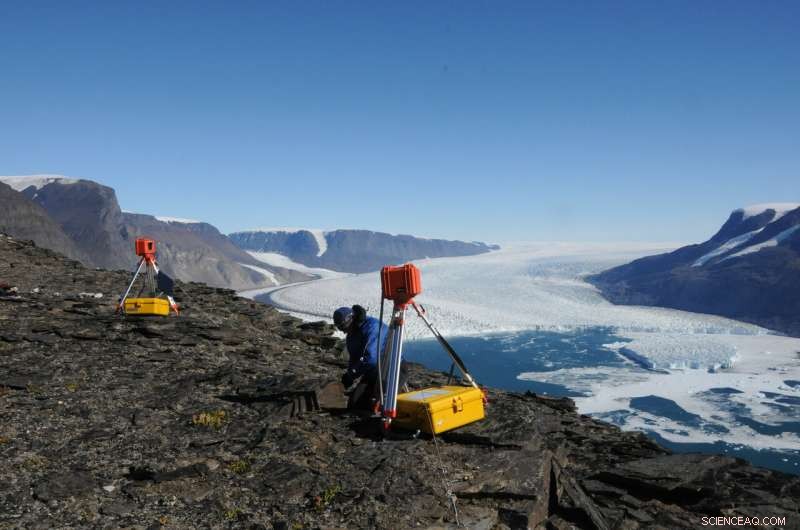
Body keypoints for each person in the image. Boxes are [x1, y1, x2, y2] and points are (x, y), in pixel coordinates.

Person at [333, 304, 388, 411]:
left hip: (389, 367)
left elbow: (371, 358)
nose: (343, 331)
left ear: (350, 320)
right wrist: (349, 375)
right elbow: (354, 357)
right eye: (339, 328)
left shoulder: (372, 327)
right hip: (373, 371)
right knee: (355, 403)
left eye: (343, 327)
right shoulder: (352, 334)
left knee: (379, 405)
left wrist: (352, 373)